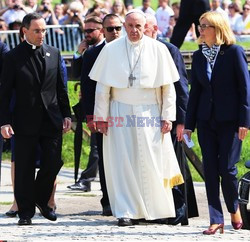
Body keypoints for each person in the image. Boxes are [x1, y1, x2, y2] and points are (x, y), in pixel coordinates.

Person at [89, 9, 184, 226]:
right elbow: (102, 88)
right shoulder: (111, 50)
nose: (134, 30)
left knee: (152, 160)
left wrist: (168, 116)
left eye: (138, 26)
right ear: (125, 26)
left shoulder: (159, 49)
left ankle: (156, 209)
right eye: (130, 26)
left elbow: (168, 88)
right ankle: (126, 211)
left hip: (150, 111)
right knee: (124, 161)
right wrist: (101, 117)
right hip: (119, 110)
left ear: (145, 26)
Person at [0, 12, 71, 226]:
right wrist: (4, 121)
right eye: (37, 31)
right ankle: (25, 212)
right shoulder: (13, 57)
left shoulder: (54, 53)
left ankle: (41, 198)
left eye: (44, 31)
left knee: (53, 162)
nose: (42, 35)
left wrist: (67, 114)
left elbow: (60, 87)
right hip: (23, 121)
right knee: (24, 168)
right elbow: (4, 93)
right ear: (25, 31)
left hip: (51, 119)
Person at [184, 11, 250, 234]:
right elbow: (196, 93)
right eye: (200, 26)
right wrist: (189, 124)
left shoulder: (234, 52)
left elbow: (245, 89)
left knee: (227, 169)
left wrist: (245, 121)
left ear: (218, 28)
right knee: (210, 169)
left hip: (231, 121)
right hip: (205, 120)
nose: (201, 30)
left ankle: (234, 209)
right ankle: (215, 218)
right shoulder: (199, 55)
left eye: (205, 26)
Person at [144, 13, 199, 226]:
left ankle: (180, 209)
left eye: (145, 27)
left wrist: (182, 121)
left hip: (171, 118)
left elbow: (181, 87)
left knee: (174, 164)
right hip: (147, 118)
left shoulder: (169, 50)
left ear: (155, 29)